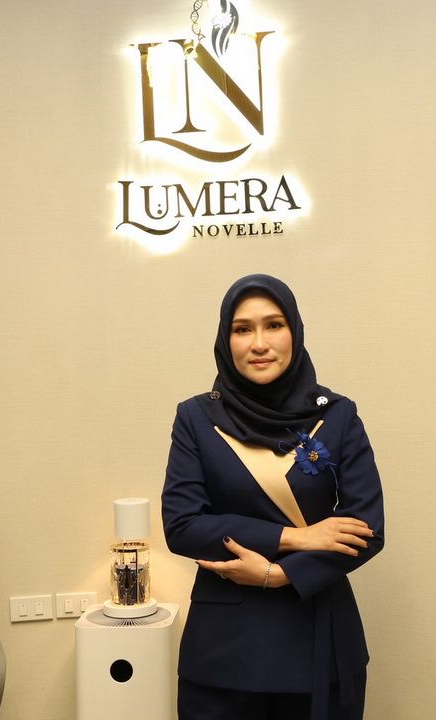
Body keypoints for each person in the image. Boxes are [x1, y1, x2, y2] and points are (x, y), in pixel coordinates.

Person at [161, 273, 385, 720]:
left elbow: (366, 529)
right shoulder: (197, 418)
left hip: (318, 635)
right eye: (243, 329)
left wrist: (278, 575)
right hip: (223, 652)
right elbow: (183, 526)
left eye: (274, 325)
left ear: (295, 332)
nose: (259, 343)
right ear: (226, 340)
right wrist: (296, 537)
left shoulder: (337, 416)